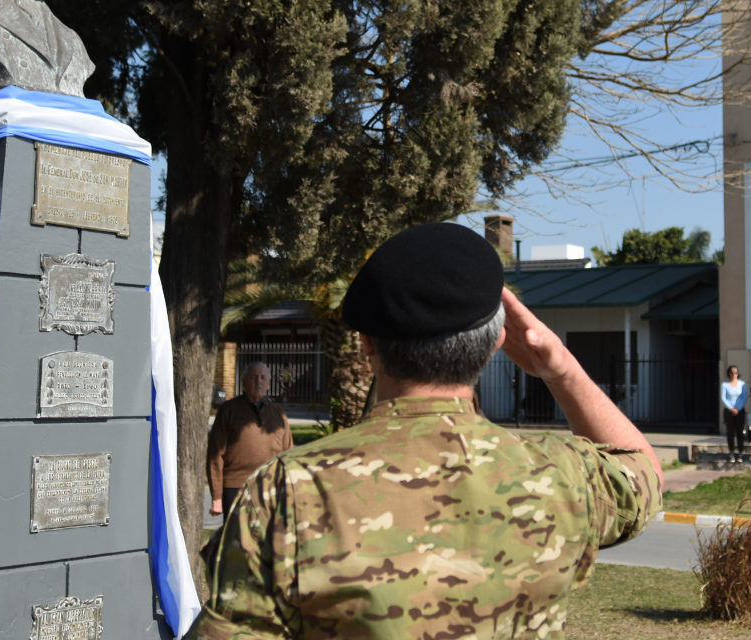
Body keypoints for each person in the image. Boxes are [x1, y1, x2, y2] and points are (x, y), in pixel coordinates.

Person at [192, 223, 663, 637]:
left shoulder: (288, 492)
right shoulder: (562, 475)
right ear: (499, 341)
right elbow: (642, 473)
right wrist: (561, 368)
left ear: (366, 344)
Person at [206, 362, 293, 518]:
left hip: (270, 487)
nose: (258, 381)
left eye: (263, 377)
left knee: (268, 539)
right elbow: (215, 456)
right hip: (236, 488)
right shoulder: (228, 410)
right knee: (236, 540)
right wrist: (217, 497)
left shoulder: (278, 414)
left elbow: (289, 456)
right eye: (254, 377)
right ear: (244, 382)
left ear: (268, 384)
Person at [721, 365, 748, 463]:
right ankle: (731, 452)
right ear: (729, 374)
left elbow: (744, 397)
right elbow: (724, 398)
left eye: (736, 372)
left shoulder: (742, 384)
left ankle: (740, 452)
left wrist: (738, 408)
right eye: (732, 372)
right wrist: (731, 408)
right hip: (729, 411)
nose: (734, 374)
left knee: (740, 432)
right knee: (730, 432)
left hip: (739, 411)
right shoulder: (725, 385)